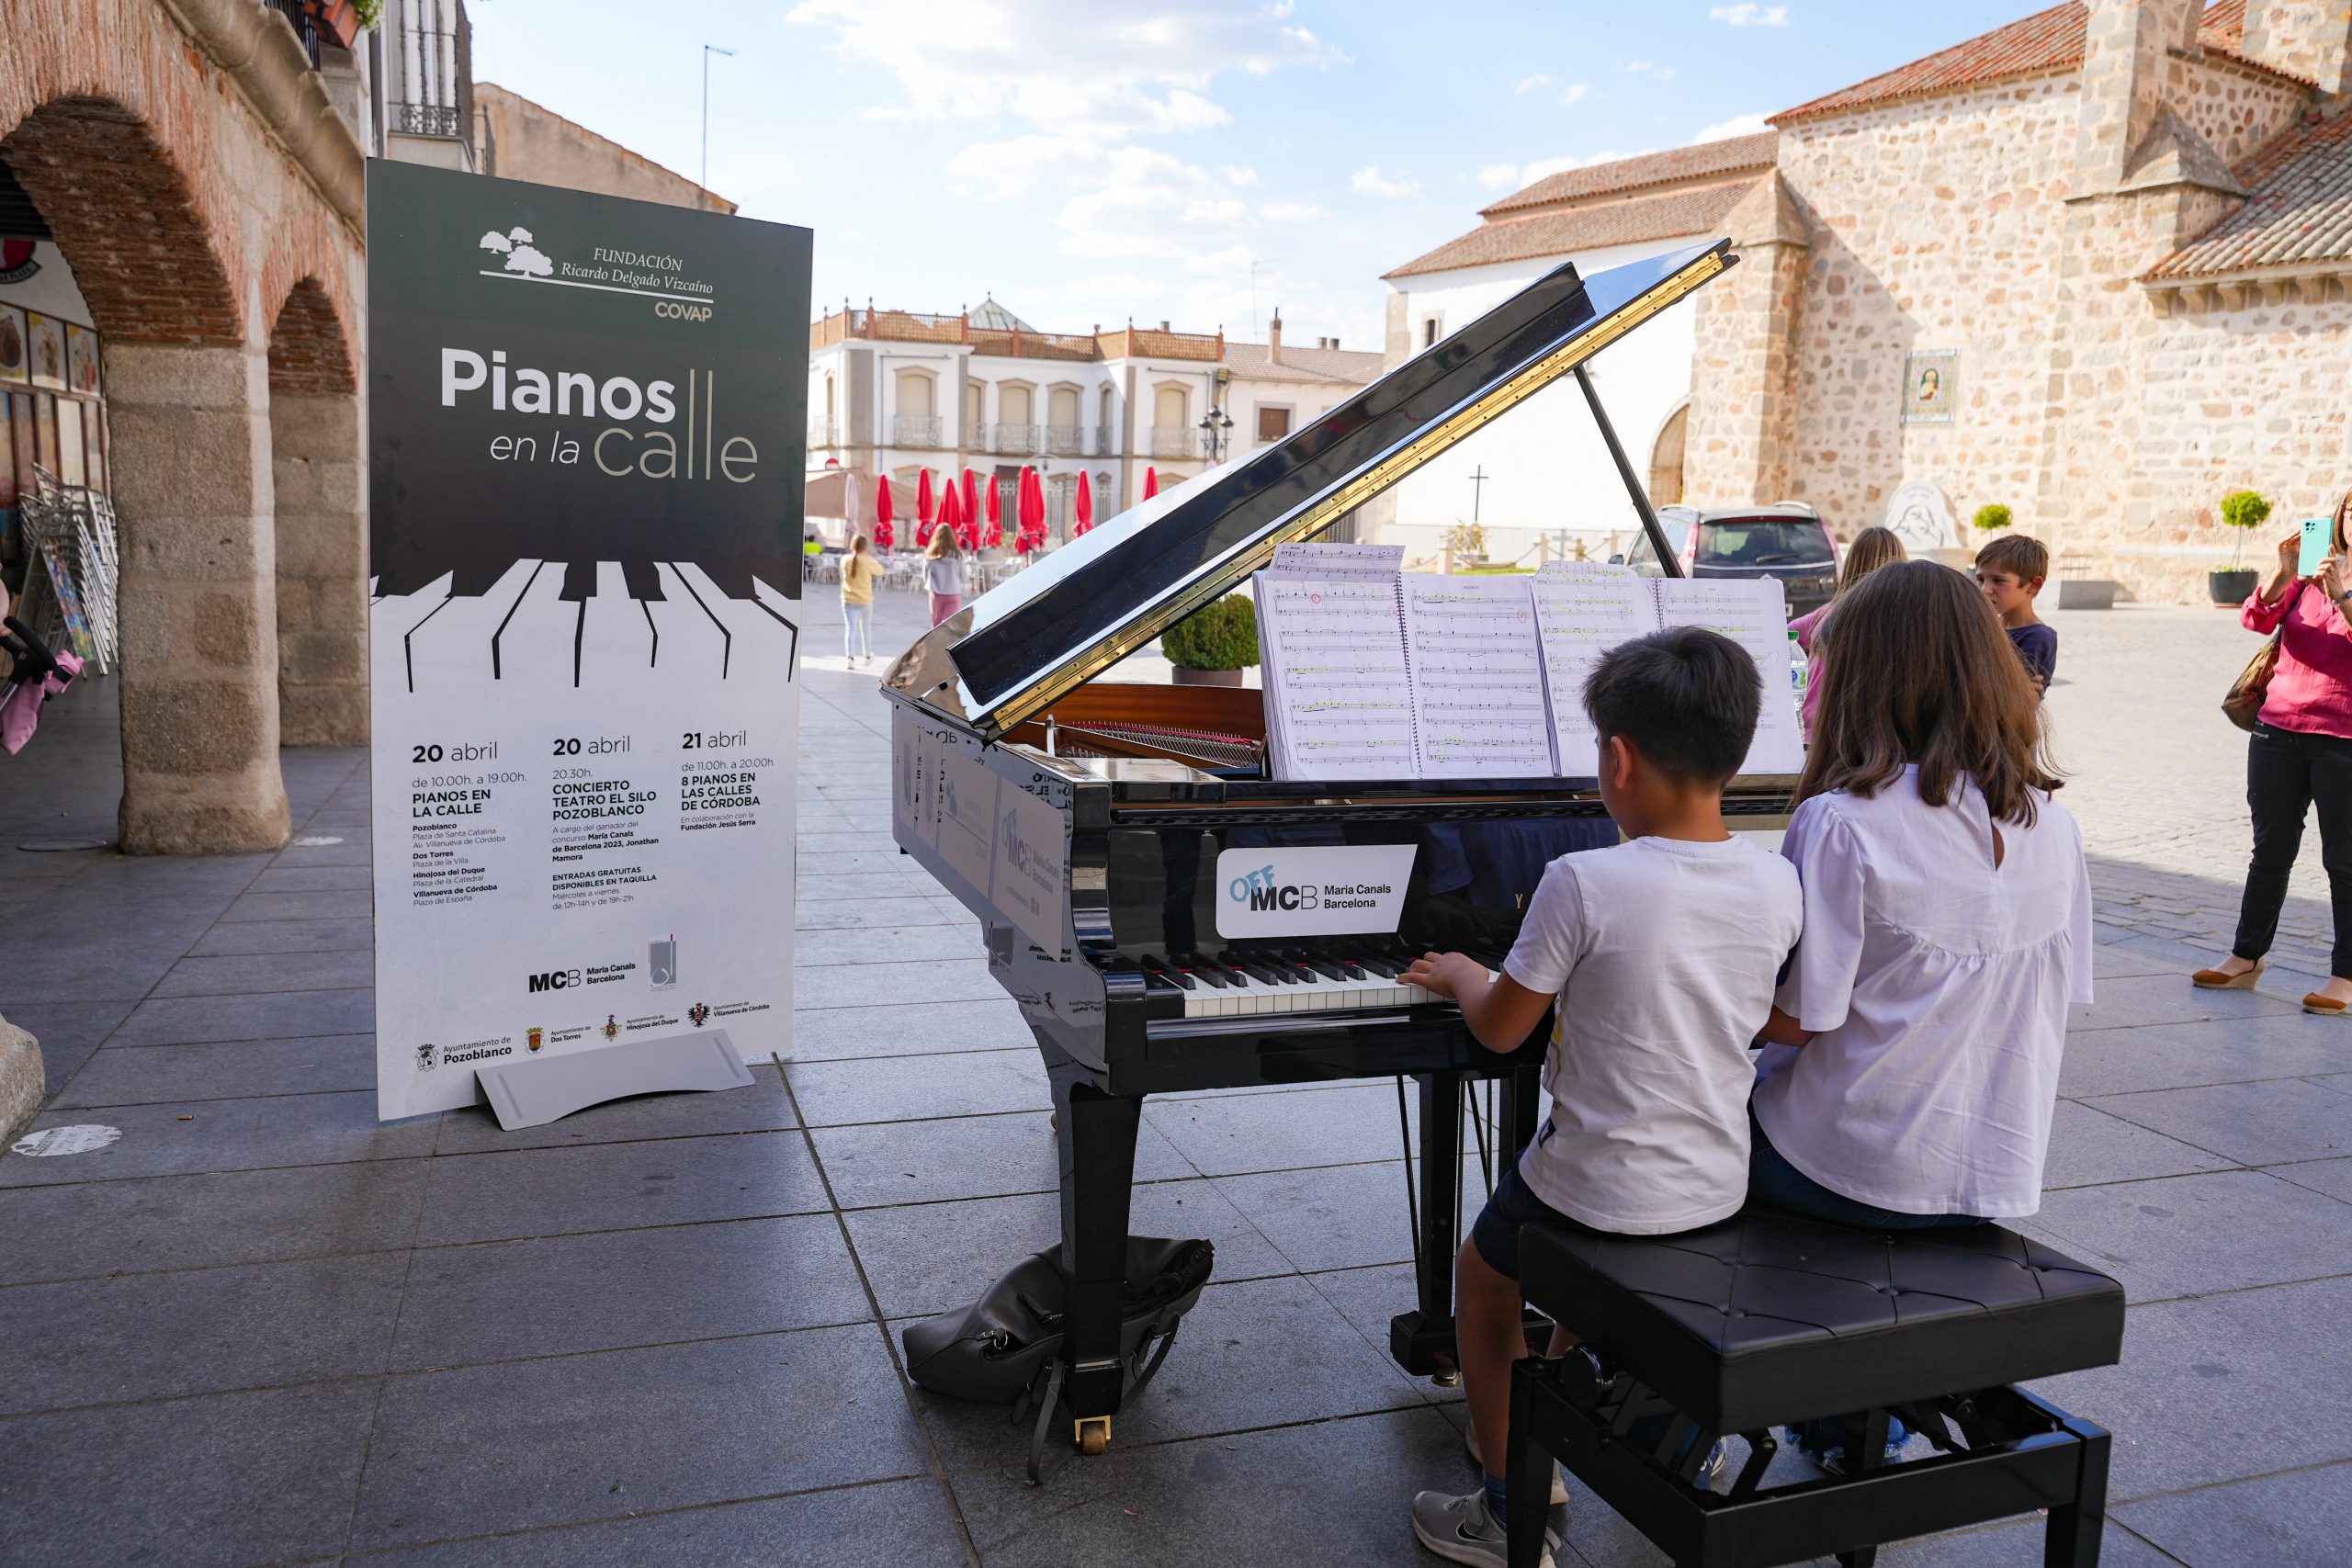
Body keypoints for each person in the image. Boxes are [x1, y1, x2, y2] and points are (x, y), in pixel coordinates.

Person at [1401, 628, 1804, 1568]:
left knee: (1487, 1279)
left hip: (1591, 1183)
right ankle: (1541, 1414)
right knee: (1582, 1276)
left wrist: (1464, 972)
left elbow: (1502, 1027)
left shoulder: (1583, 880)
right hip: (1713, 1183)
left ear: (1618, 759)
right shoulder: (1776, 876)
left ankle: (1510, 1510)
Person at [2196, 496, 2352, 1014]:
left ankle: (2345, 975)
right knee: (2270, 850)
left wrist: (2343, 593)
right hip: (2278, 728)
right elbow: (2257, 620)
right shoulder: (2310, 568)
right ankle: (2246, 956)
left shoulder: (2333, 580)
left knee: (2344, 861)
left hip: (2344, 740)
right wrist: (2285, 572)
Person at [1787, 525, 1906, 738]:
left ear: (1850, 565)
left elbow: (1784, 632)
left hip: (1806, 729)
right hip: (1847, 735)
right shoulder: (1894, 623)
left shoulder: (1824, 613)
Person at [1973, 533, 2057, 694]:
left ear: (2033, 585)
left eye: (1998, 581)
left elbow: (2021, 701)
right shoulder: (1984, 624)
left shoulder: (2038, 637)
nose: (1985, 589)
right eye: (1981, 579)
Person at [839, 534, 882, 665]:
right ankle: (867, 656)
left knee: (850, 628)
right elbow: (880, 570)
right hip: (865, 600)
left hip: (848, 599)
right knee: (866, 628)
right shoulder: (868, 561)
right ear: (865, 546)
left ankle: (850, 658)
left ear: (852, 545)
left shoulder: (845, 559)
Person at [925, 524, 965, 628]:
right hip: (954, 592)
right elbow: (964, 576)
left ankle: (936, 644)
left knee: (936, 624)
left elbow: (925, 577)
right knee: (951, 625)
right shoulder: (958, 556)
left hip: (936, 593)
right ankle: (950, 644)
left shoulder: (930, 556)